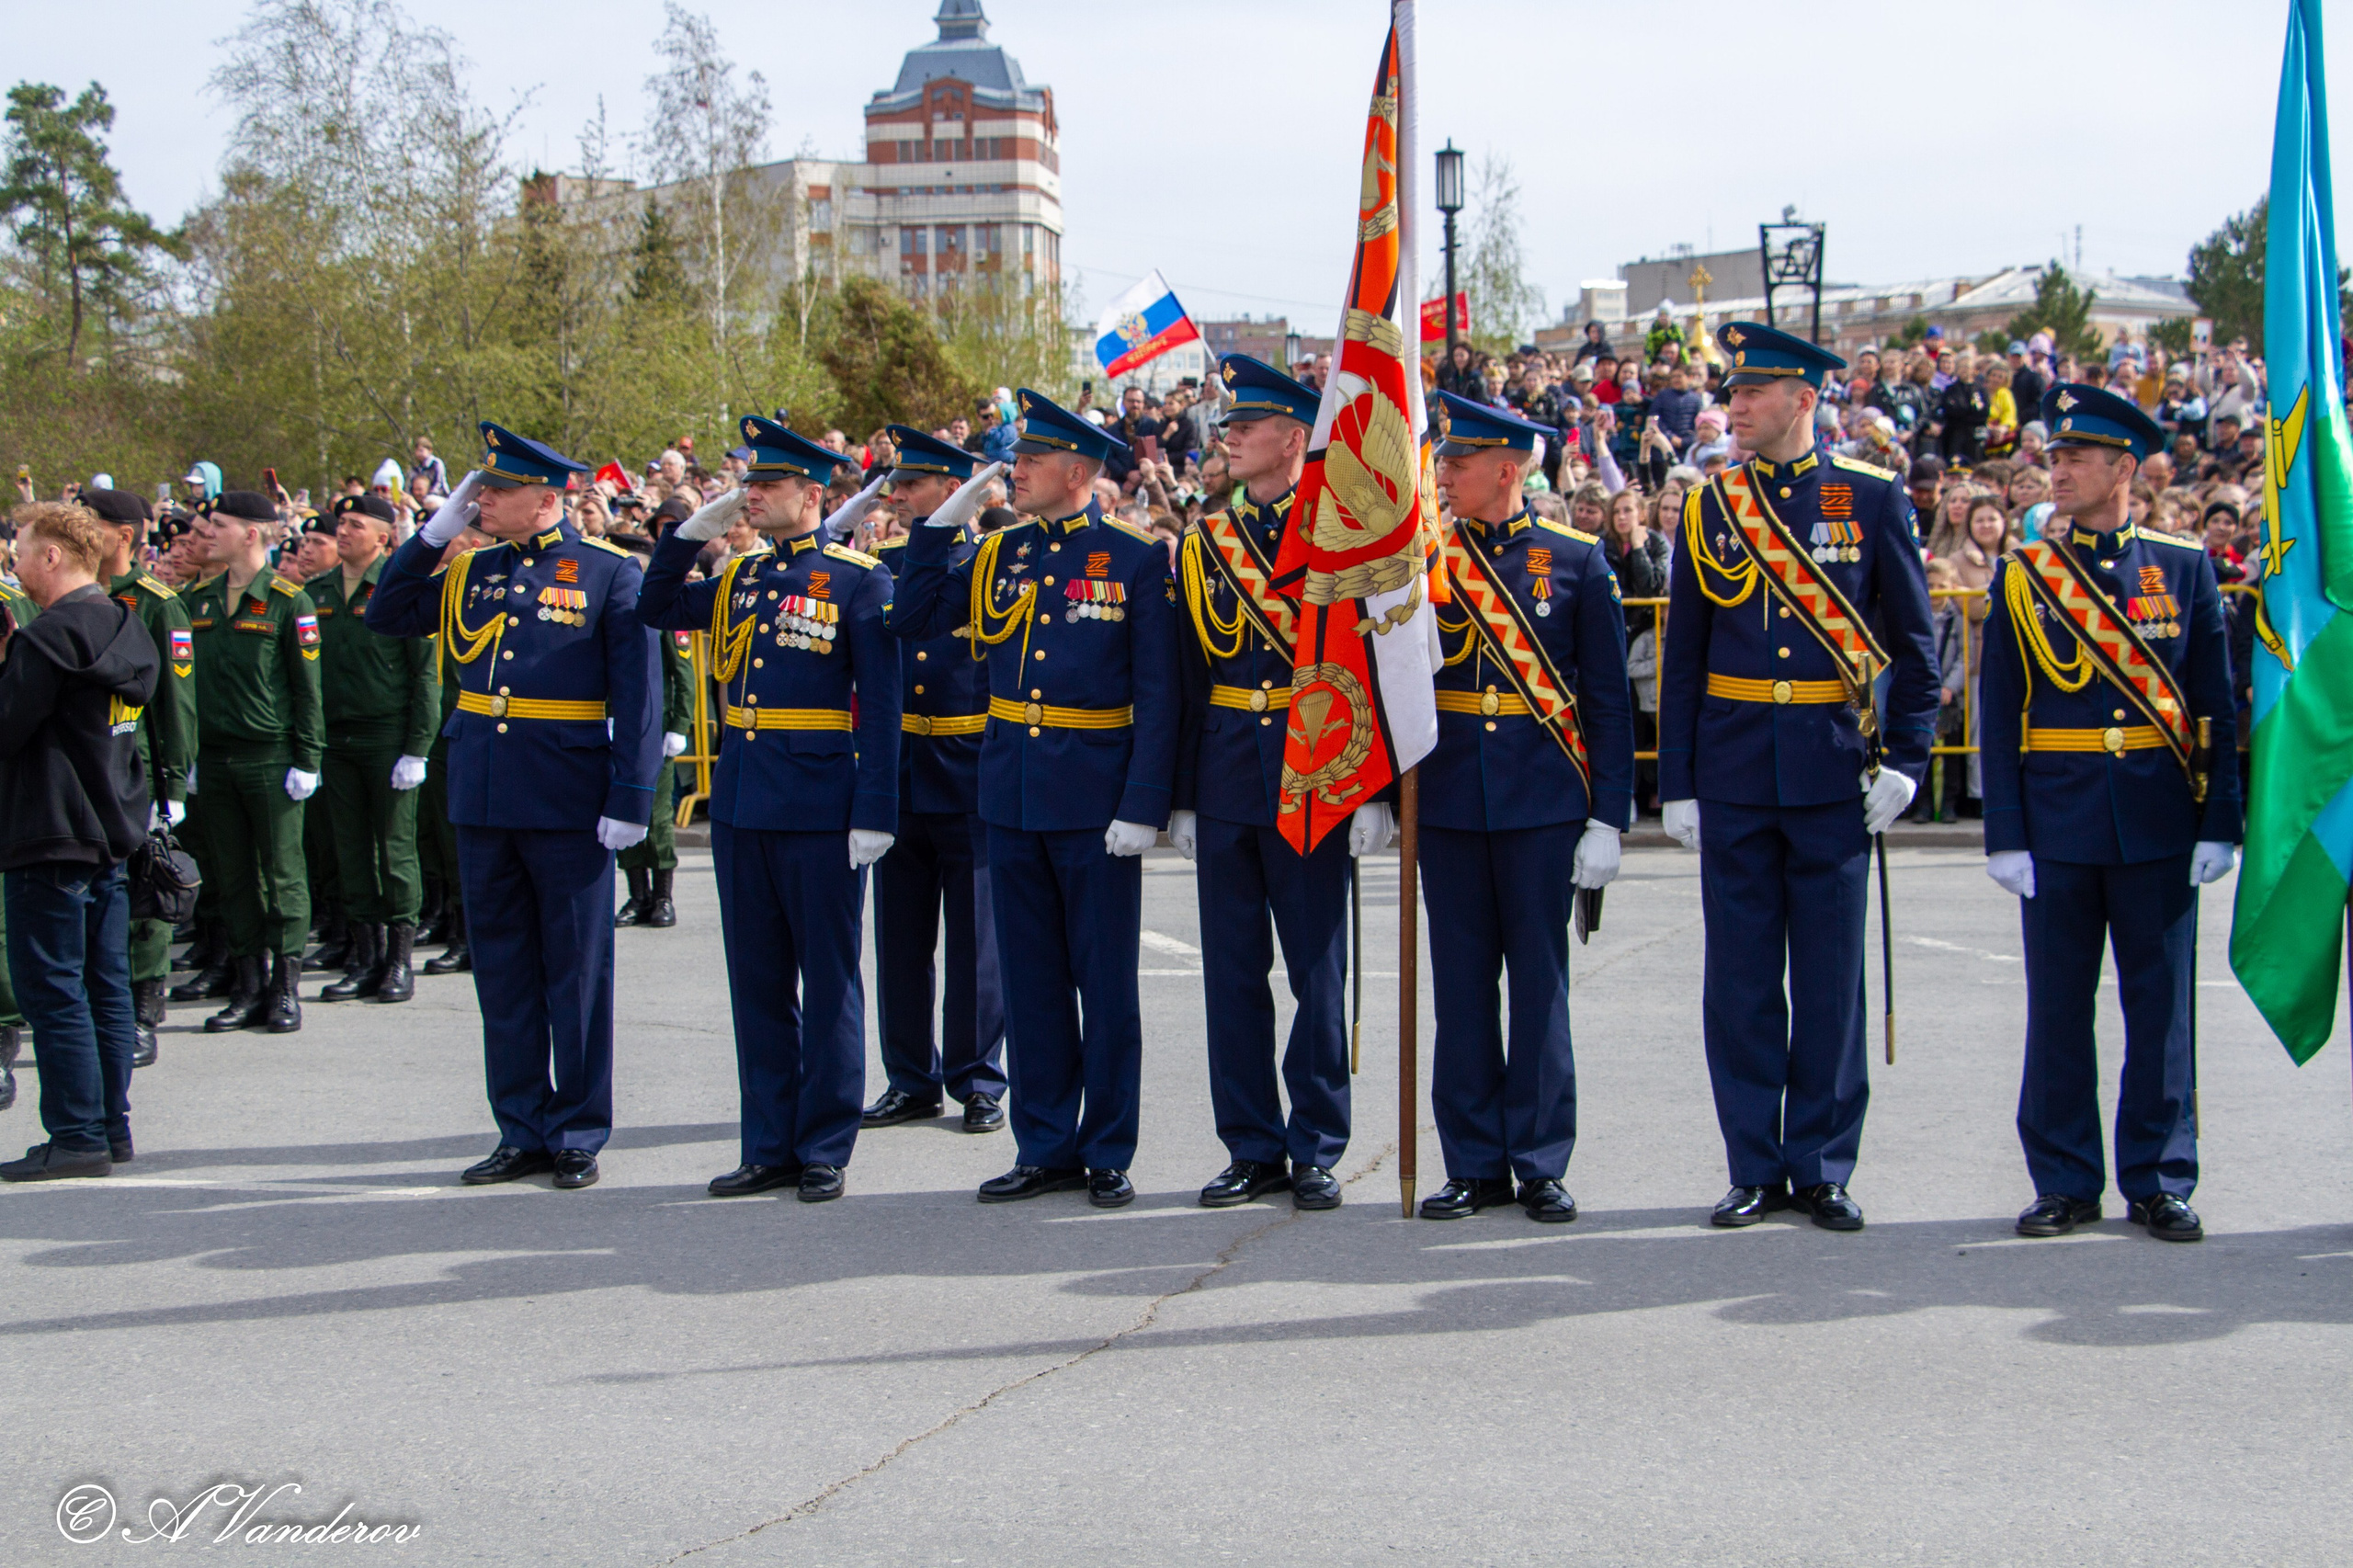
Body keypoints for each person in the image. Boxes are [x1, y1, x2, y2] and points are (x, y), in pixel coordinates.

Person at [1658, 323, 1939, 1232]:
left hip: (1830, 766)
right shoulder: (1710, 506)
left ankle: (1818, 1163)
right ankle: (1751, 1160)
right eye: (1733, 393)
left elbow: (1916, 646)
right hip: (1737, 763)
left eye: (1752, 393)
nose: (1734, 407)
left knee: (1828, 978)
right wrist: (1683, 780)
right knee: (1739, 978)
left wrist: (1904, 757)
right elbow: (1686, 654)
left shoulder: (1871, 496)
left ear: (1804, 400)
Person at [889, 389, 1177, 1208]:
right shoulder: (996, 556)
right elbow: (913, 616)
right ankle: (1045, 1142)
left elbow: (1159, 692)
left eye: (1031, 460)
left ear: (1079, 470)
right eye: (1014, 460)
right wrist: (940, 522)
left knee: (1105, 985)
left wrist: (1143, 803)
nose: (1014, 472)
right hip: (1009, 793)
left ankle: (1109, 1147)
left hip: (1094, 800)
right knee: (1032, 982)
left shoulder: (1134, 559)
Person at [365, 422, 661, 1191]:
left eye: (496, 492)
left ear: (547, 499)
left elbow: (639, 696)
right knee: (502, 971)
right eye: (479, 491)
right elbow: (389, 612)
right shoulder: (472, 569)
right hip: (485, 788)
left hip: (568, 794)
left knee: (576, 972)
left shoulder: (608, 573)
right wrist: (434, 533)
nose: (483, 501)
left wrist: (632, 795)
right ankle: (520, 1126)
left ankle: (579, 1129)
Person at [1979, 385, 2241, 1243]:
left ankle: (2160, 1175)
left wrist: (2219, 821)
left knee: (2160, 1009)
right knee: (2058, 1008)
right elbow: (2001, 709)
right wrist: (2006, 833)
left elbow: (2215, 705)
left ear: (2124, 469)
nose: (2055, 471)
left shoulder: (2186, 565)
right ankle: (2063, 1178)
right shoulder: (2027, 573)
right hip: (2056, 822)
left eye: (2074, 458)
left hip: (2159, 819)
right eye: (2053, 457)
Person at [637, 417, 898, 1204]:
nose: (752, 495)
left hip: (821, 800)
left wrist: (876, 808)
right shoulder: (742, 577)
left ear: (812, 494)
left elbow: (880, 709)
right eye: (749, 483)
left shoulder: (860, 579)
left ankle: (823, 1143)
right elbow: (657, 607)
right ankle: (768, 1142)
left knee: (828, 979)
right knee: (756, 981)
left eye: (768, 485)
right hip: (746, 798)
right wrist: (687, 535)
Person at [1413, 394, 1635, 1221]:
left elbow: (1608, 702)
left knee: (1540, 987)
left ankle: (1539, 1160)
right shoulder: (1424, 556)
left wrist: (1609, 816)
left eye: (1458, 464)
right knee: (1462, 988)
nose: (1443, 475)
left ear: (1507, 469)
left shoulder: (1576, 560)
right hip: (1448, 799)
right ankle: (1472, 1162)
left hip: (1543, 798)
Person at [1167, 356, 1374, 1211]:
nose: (1230, 438)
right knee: (1232, 975)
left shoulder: (1341, 534)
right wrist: (1177, 795)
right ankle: (1250, 1143)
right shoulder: (1205, 541)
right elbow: (1182, 675)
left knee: (1317, 976)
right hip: (1222, 772)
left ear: (1295, 438)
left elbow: (1370, 663)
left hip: (1312, 768)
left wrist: (1371, 790)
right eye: (1229, 428)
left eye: (1246, 427)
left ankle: (1317, 1142)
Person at [0, 502, 161, 1179]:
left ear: (53, 557)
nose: (14, 562)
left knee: (53, 990)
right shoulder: (127, 625)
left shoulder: (47, 639)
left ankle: (74, 1134)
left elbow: (6, 730)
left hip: (51, 829)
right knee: (105, 986)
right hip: (109, 830)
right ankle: (108, 1124)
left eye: (20, 550)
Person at [862, 426, 1008, 1137]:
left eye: (913, 486)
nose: (898, 497)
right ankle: (910, 1078)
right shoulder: (887, 564)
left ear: (952, 491)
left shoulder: (994, 565)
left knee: (977, 940)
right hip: (901, 772)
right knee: (901, 936)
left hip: (970, 766)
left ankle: (978, 1077)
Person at [180, 492, 325, 1034]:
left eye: (217, 525)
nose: (206, 533)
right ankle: (246, 985)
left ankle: (285, 989)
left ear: (250, 533)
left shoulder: (290, 601)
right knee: (233, 875)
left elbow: (307, 690)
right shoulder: (198, 600)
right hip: (215, 759)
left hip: (271, 757)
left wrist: (307, 757)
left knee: (283, 874)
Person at [304, 495, 438, 1005]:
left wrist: (417, 748)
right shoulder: (316, 592)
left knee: (395, 850)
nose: (343, 531)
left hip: (388, 737)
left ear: (383, 538)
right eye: (341, 523)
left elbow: (424, 673)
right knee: (352, 849)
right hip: (337, 739)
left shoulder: (400, 589)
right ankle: (365, 956)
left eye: (355, 525)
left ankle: (399, 960)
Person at [85, 488, 195, 1067]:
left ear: (123, 534)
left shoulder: (155, 604)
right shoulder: (72, 595)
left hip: (139, 767)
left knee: (144, 887)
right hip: (85, 767)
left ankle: (143, 1007)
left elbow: (175, 705)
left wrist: (173, 787)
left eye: (91, 524)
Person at [613, 602, 691, 931]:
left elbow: (682, 675)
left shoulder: (662, 614)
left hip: (655, 731)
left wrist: (679, 725)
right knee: (623, 810)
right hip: (618, 728)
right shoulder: (612, 614)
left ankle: (663, 896)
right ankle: (638, 895)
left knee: (657, 814)